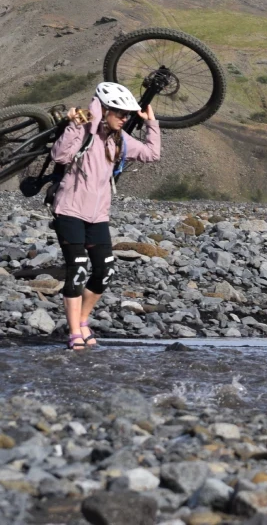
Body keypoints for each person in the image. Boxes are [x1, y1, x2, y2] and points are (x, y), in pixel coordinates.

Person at [49, 82, 161, 350]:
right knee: (77, 269)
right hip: (70, 211)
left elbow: (152, 153)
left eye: (127, 115)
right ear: (106, 109)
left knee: (105, 270)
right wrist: (76, 124)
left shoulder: (120, 139)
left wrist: (151, 124)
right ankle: (74, 331)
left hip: (98, 215)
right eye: (120, 113)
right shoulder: (85, 129)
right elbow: (60, 155)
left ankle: (83, 320)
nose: (125, 119)